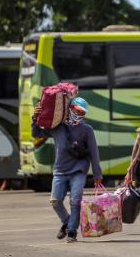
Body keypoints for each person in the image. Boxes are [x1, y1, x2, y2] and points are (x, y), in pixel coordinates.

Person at [32, 97, 102, 243]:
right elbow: (37, 133)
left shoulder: (87, 130)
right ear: (70, 109)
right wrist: (35, 117)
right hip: (60, 171)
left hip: (78, 171)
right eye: (78, 111)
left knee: (75, 201)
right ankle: (67, 221)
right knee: (55, 201)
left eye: (83, 113)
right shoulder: (57, 126)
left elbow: (94, 152)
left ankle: (71, 232)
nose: (80, 115)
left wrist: (97, 174)